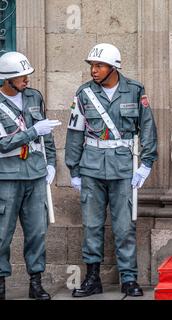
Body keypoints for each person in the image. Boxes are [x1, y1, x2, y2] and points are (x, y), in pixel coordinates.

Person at [65, 43, 158, 297]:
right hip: (91, 168)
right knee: (92, 225)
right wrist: (73, 170)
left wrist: (146, 164)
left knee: (124, 226)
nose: (94, 71)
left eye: (99, 65)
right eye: (92, 66)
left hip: (123, 168)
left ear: (113, 67)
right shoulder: (84, 93)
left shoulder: (134, 90)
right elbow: (75, 133)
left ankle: (129, 278)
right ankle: (92, 278)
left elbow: (147, 128)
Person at [0, 52, 60, 300]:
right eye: (21, 76)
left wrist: (52, 164)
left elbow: (46, 136)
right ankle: (1, 283)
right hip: (7, 177)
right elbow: (3, 144)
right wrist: (33, 131)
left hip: (35, 174)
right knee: (2, 233)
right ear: (7, 80)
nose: (26, 80)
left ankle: (36, 282)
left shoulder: (34, 96)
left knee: (37, 232)